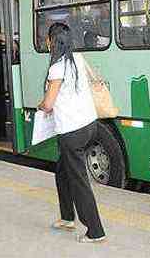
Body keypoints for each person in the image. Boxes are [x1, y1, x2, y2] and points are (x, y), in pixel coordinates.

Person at [39, 22, 106, 243]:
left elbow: (48, 104)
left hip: (72, 131)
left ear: (51, 42)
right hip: (89, 125)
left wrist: (42, 105)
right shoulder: (76, 58)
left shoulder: (57, 68)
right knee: (62, 171)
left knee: (79, 182)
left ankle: (95, 231)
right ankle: (67, 217)